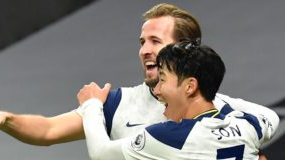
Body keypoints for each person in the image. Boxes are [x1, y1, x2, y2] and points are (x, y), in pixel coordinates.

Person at [0, 2, 279, 154]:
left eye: (155, 41)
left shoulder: (218, 110)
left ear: (185, 50)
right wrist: (6, 119)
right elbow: (48, 130)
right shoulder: (118, 103)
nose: (144, 50)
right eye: (141, 42)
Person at [77, 41, 279, 159]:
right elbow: (271, 116)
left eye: (162, 79)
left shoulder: (172, 138)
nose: (156, 90)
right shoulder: (248, 125)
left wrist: (91, 104)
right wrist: (210, 93)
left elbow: (101, 154)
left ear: (190, 86)